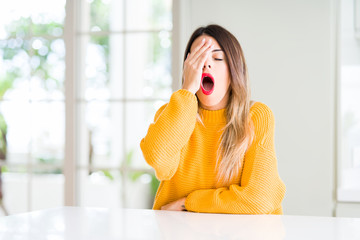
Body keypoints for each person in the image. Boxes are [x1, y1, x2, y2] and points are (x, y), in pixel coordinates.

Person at [140, 24, 286, 214]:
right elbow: (158, 160)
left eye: (217, 58)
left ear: (234, 69)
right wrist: (186, 91)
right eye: (197, 59)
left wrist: (188, 204)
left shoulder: (257, 116)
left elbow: (259, 200)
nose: (206, 64)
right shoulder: (173, 113)